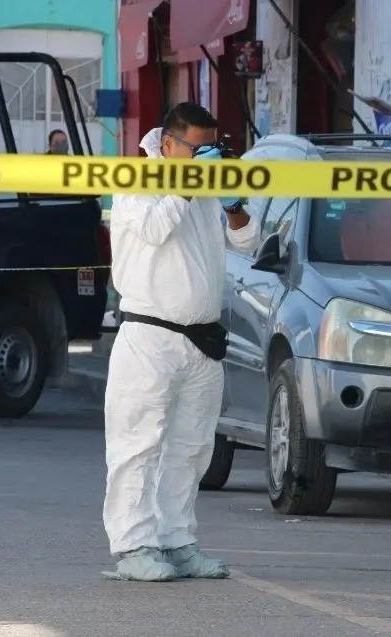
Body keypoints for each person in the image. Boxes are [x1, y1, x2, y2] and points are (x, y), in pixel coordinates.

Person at [102, 102, 261, 582]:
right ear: (168, 145)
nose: (206, 157)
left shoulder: (204, 187)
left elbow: (247, 243)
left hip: (201, 339)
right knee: (137, 446)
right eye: (198, 148)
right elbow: (154, 229)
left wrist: (233, 206)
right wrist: (189, 185)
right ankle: (133, 548)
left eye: (212, 147)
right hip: (149, 336)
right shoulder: (136, 180)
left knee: (191, 449)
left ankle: (177, 542)